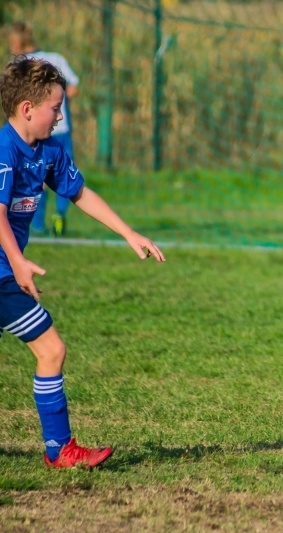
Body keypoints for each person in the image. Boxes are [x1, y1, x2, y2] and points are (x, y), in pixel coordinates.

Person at [0, 57, 165, 468]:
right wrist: (18, 262)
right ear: (27, 109)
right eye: (55, 108)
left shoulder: (49, 151)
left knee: (50, 350)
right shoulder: (5, 151)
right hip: (3, 271)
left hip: (8, 269)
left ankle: (60, 448)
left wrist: (128, 232)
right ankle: (60, 450)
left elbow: (79, 194)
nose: (60, 116)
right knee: (51, 349)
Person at [6, 21, 79, 237]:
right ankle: (59, 213)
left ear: (16, 43)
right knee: (60, 175)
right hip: (61, 130)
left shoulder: (20, 66)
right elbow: (73, 88)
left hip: (37, 131)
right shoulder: (56, 59)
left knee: (39, 179)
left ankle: (37, 225)